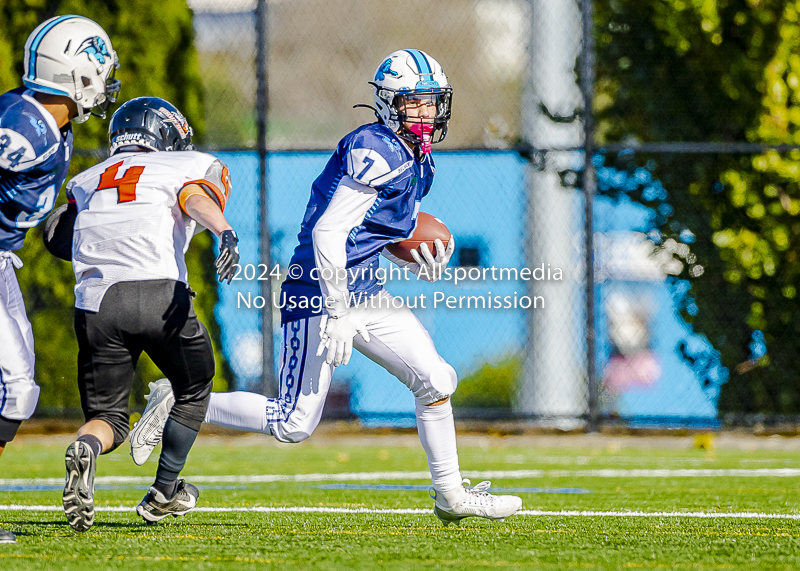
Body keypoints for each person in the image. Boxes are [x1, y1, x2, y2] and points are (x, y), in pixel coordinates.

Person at [132, 50, 522, 526]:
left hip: (364, 291)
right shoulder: (375, 149)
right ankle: (179, 397)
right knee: (293, 423)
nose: (429, 113)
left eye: (433, 102)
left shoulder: (419, 159)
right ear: (388, 103)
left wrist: (418, 256)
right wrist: (338, 311)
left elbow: (375, 233)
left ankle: (451, 495)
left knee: (437, 380)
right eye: (416, 102)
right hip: (319, 290)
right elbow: (328, 233)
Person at [56, 97, 240, 531]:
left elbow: (61, 234)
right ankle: (164, 492)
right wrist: (224, 231)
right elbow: (194, 196)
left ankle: (86, 446)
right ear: (166, 135)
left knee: (108, 419)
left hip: (97, 305)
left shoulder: (85, 179)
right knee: (195, 387)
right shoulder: (182, 166)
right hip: (158, 293)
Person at [0, 15, 120, 544]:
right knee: (14, 388)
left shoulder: (51, 123)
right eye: (99, 69)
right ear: (75, 74)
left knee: (18, 389)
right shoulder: (22, 130)